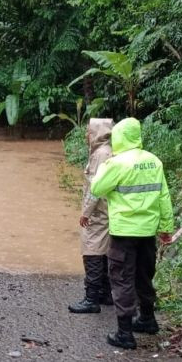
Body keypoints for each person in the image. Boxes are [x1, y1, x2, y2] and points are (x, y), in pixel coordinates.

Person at [90, 117, 174, 350]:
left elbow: (97, 188)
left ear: (118, 137)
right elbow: (164, 196)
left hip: (124, 232)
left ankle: (125, 333)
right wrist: (166, 228)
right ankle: (147, 319)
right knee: (144, 276)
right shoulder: (154, 161)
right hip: (147, 232)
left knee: (122, 279)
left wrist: (107, 166)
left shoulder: (116, 163)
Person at [68, 118, 115, 314]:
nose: (86, 136)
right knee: (103, 250)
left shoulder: (101, 155)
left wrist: (85, 212)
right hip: (107, 210)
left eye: (89, 132)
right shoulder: (106, 151)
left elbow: (95, 188)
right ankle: (105, 293)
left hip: (99, 211)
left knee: (92, 250)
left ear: (97, 133)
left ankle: (92, 298)